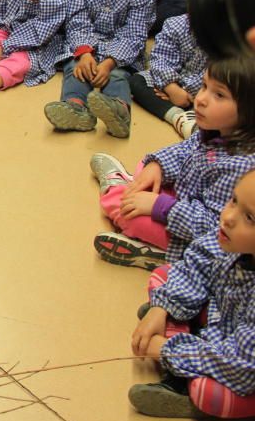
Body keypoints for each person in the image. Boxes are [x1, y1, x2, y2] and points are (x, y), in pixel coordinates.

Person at [89, 58, 255, 270]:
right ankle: (127, 183)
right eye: (204, 87)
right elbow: (184, 150)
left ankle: (167, 256)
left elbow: (216, 228)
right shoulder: (219, 129)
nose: (202, 99)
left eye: (219, 95)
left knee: (123, 209)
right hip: (186, 197)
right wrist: (157, 167)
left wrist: (160, 206)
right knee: (146, 167)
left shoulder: (242, 167)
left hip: (194, 234)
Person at [128, 168, 255, 419]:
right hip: (224, 323)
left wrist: (166, 349)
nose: (228, 217)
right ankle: (177, 323)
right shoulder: (232, 239)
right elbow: (197, 261)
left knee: (212, 394)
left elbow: (240, 366)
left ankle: (186, 389)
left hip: (243, 368)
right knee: (165, 275)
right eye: (233, 201)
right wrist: (161, 308)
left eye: (250, 218)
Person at [43, 0, 155, 138]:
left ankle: (118, 110)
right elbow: (77, 22)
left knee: (119, 76)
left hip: (120, 53)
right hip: (86, 48)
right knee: (75, 71)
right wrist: (85, 53)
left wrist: (110, 62)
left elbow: (134, 34)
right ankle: (75, 108)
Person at [130, 13, 207, 139]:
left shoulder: (228, 37)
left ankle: (194, 118)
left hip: (200, 92)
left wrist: (186, 92)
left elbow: (217, 72)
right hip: (169, 84)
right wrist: (171, 87)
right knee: (137, 81)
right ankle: (178, 117)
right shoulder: (175, 24)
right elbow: (160, 59)